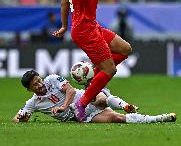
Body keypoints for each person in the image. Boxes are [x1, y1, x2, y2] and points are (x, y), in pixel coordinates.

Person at [53, 0, 132, 122]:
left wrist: (65, 26)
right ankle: (82, 103)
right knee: (110, 70)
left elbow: (65, 1)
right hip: (85, 30)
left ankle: (94, 77)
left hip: (91, 26)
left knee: (125, 49)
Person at [12, 70, 176, 124]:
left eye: (39, 80)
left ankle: (125, 105)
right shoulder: (32, 102)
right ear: (29, 89)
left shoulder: (52, 79)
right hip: (80, 116)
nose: (40, 84)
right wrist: (22, 118)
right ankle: (160, 118)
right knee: (117, 118)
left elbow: (69, 91)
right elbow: (17, 118)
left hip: (83, 98)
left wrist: (64, 106)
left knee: (101, 99)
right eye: (35, 85)